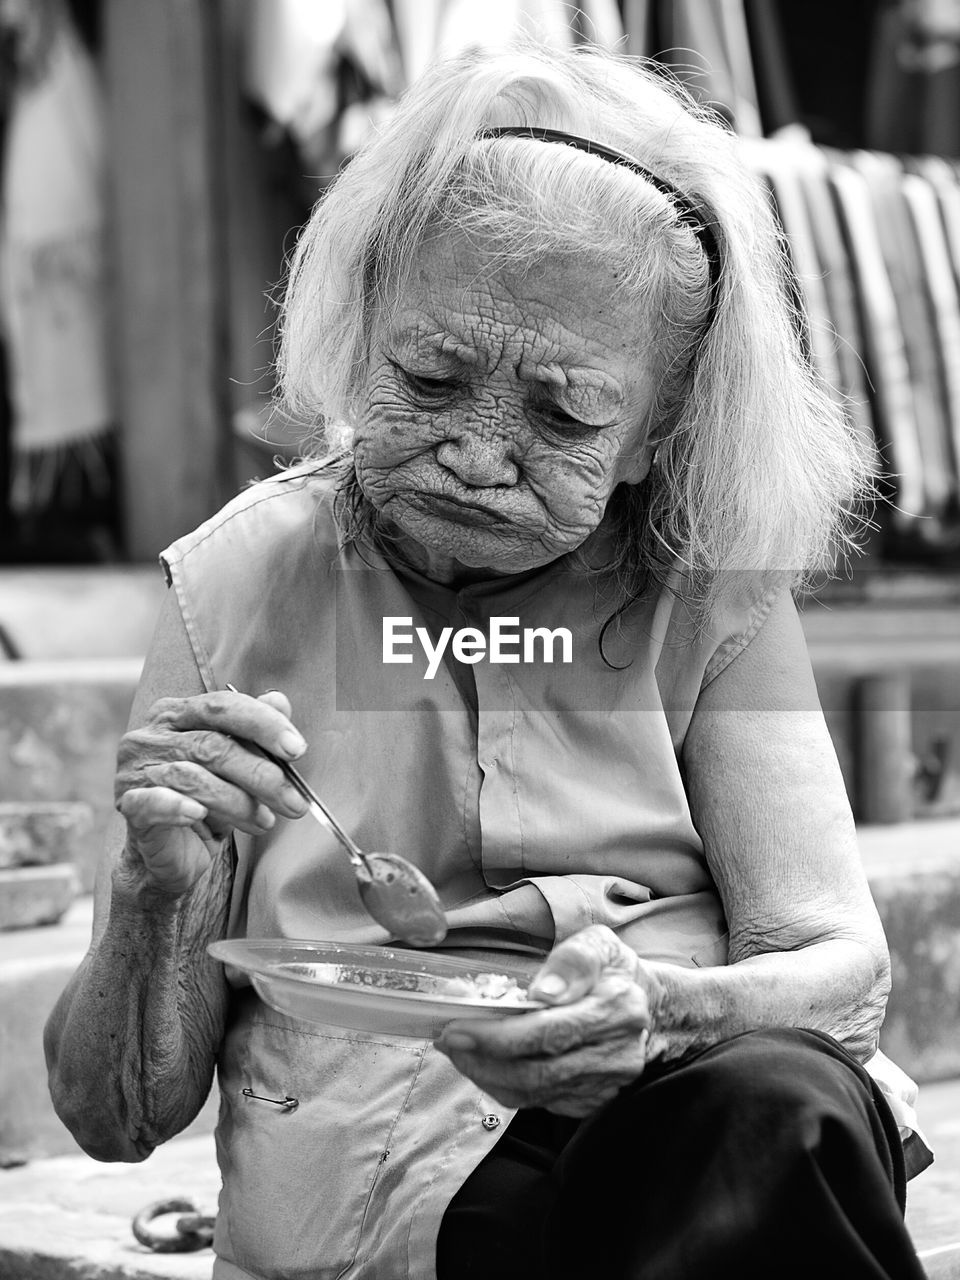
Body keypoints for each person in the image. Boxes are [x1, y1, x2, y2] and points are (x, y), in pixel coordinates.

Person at [44, 41, 930, 1280]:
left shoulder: (703, 583)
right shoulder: (240, 583)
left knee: (777, 1108)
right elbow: (115, 1115)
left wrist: (667, 1008)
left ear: (658, 430)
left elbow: (836, 965)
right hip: (380, 1199)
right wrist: (154, 884)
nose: (478, 453)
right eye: (430, 375)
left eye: (566, 414)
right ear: (361, 332)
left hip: (689, 1131)